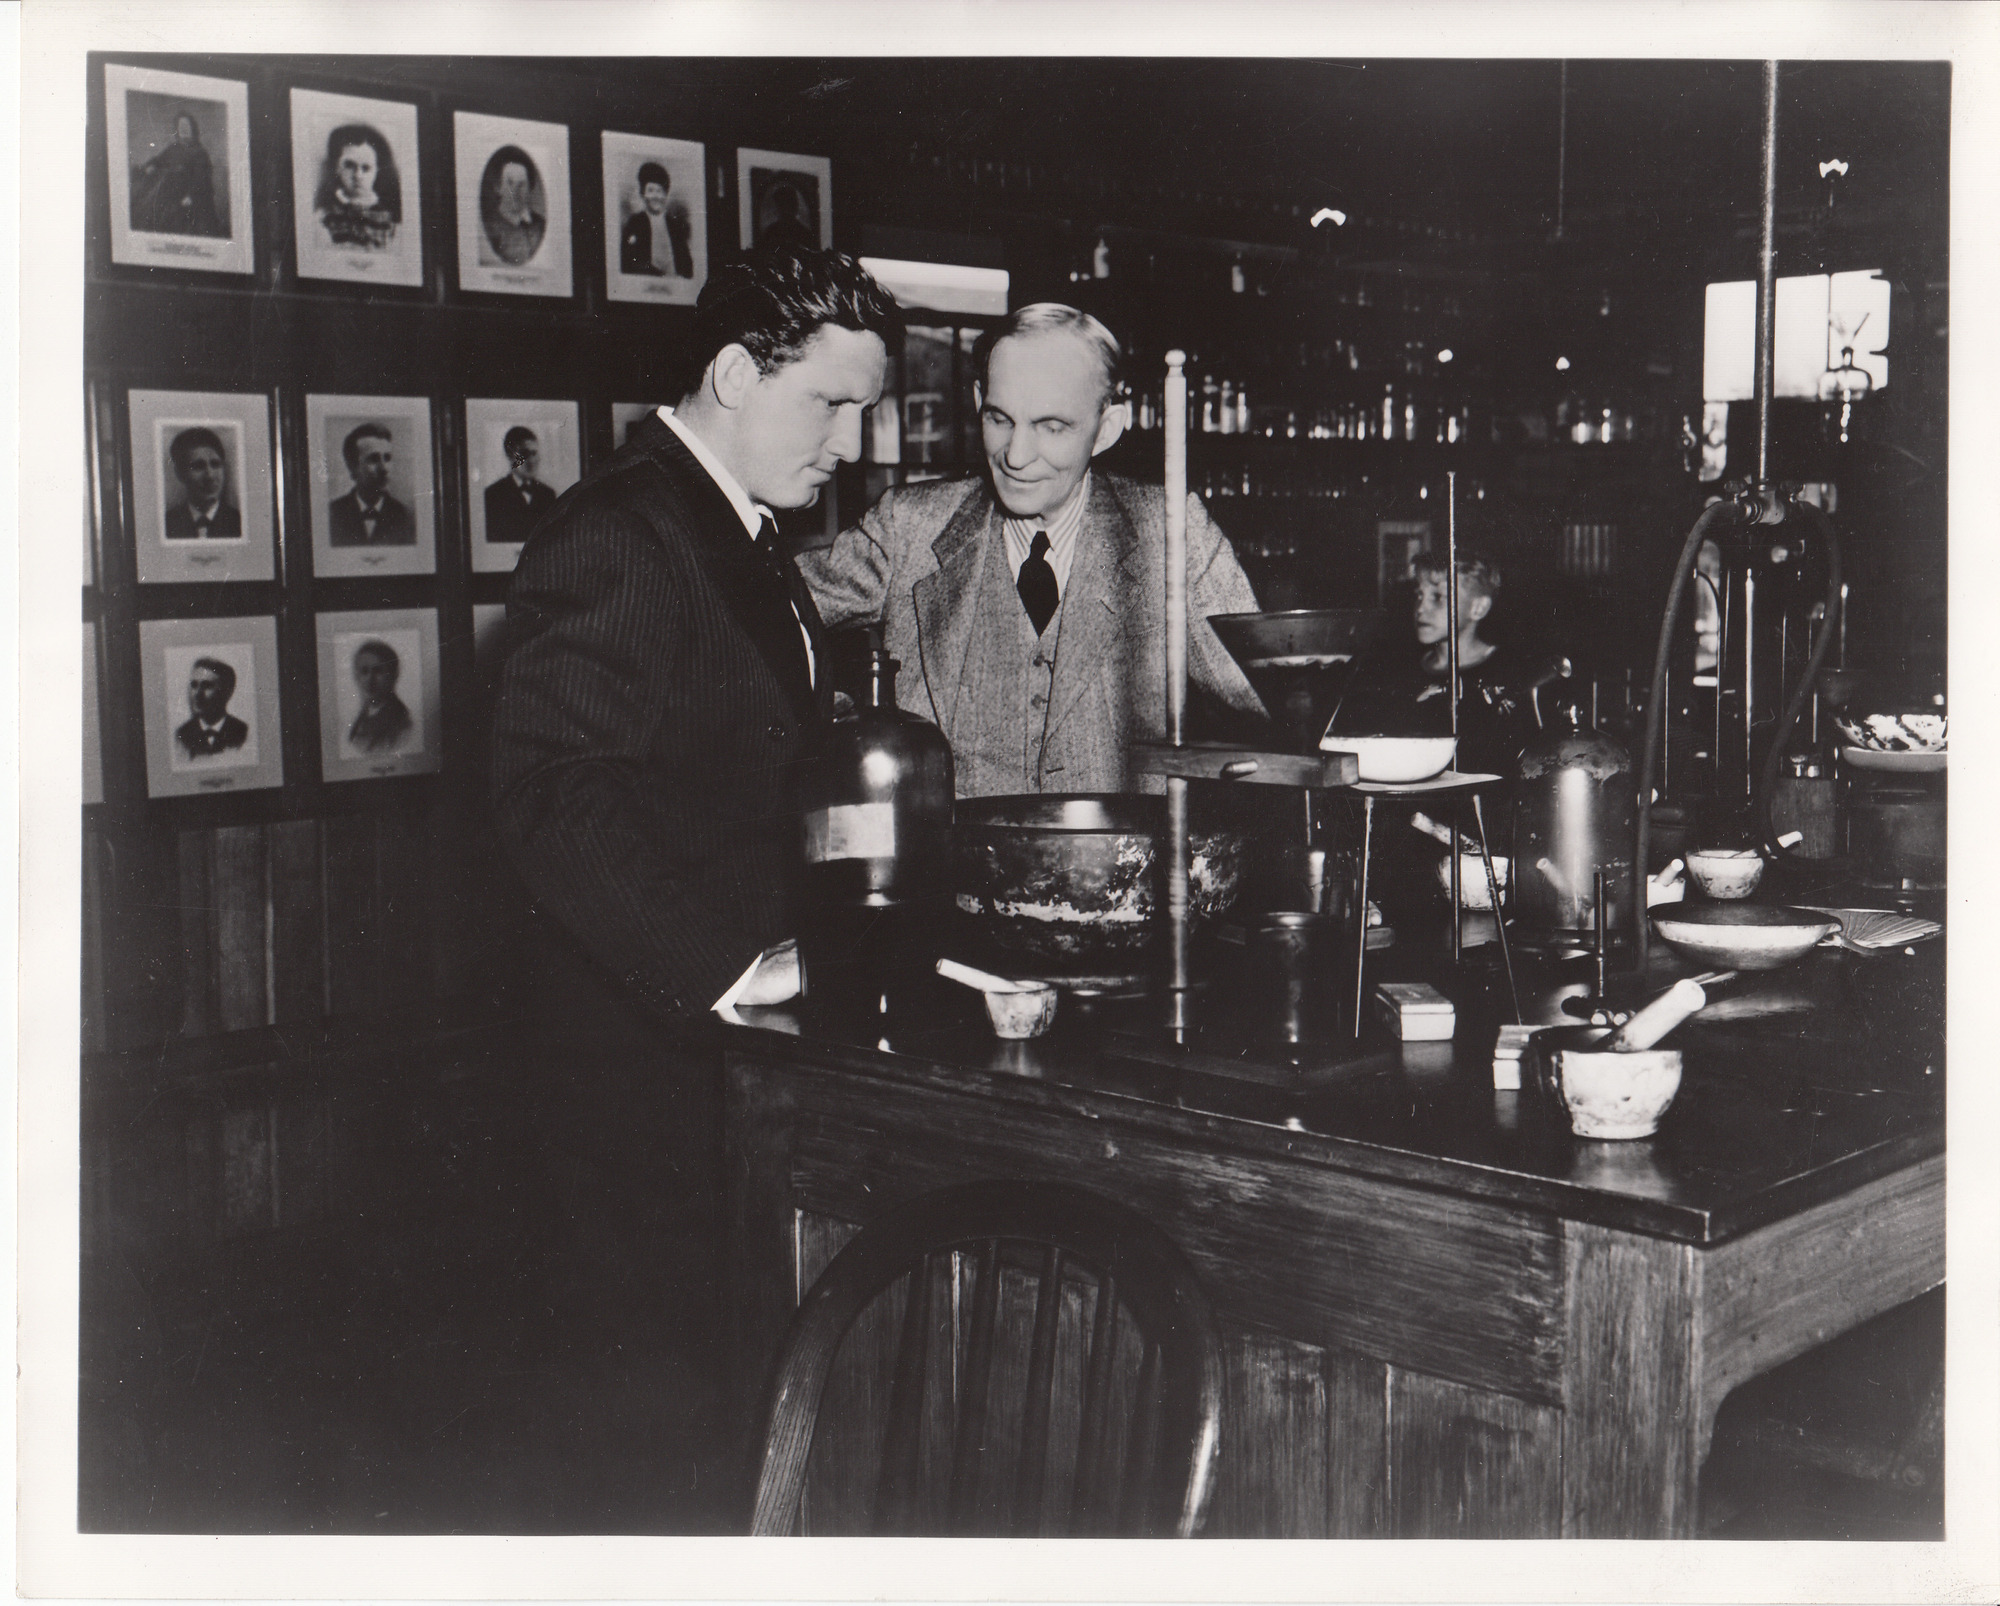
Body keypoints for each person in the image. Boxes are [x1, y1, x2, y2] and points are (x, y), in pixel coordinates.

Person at [488, 246, 899, 1409]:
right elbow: (551, 791)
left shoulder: (742, 531)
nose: (849, 442)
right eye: (829, 402)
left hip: (717, 1064)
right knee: (647, 1421)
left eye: (862, 411)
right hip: (639, 1067)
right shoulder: (619, 532)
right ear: (732, 372)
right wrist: (727, 964)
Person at [796, 302, 1265, 797]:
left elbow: (1270, 701)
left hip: (1125, 872)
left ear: (1106, 429)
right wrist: (837, 723)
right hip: (952, 873)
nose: (1016, 457)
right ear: (979, 400)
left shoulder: (1171, 533)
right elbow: (750, 616)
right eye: (1000, 419)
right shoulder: (908, 527)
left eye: (1051, 426)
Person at [131, 111, 223, 237]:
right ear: (177, 130)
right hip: (171, 195)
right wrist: (150, 166)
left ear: (193, 129)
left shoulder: (200, 153)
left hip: (193, 198)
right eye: (181, 127)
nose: (184, 130)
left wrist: (191, 196)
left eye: (187, 126)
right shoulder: (173, 148)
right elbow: (159, 160)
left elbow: (201, 179)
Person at [312, 122, 400, 251]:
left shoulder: (392, 223)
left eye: (366, 168)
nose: (358, 176)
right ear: (337, 167)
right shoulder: (322, 219)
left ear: (377, 171)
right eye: (349, 166)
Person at [327, 423, 415, 546]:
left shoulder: (406, 517)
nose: (384, 468)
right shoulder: (332, 515)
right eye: (374, 459)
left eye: (387, 458)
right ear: (352, 467)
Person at [482, 427, 558, 545]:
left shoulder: (548, 494)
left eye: (534, 453)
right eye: (524, 454)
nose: (532, 460)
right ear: (509, 455)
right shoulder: (493, 495)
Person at [163, 427, 241, 541]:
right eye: (198, 466)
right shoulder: (166, 524)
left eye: (215, 464)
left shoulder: (240, 522)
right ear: (180, 473)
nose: (210, 476)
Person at [619, 160, 694, 278]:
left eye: (659, 191)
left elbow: (686, 263)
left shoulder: (675, 225)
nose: (655, 197)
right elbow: (628, 262)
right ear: (643, 194)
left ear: (665, 195)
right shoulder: (635, 223)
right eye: (650, 190)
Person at [479, 146, 545, 266]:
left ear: (530, 188)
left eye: (522, 185)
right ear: (498, 187)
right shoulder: (488, 227)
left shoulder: (540, 226)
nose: (515, 191)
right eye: (510, 183)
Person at [173, 657, 249, 759]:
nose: (197, 694)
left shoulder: (243, 733)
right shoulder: (181, 736)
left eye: (207, 686)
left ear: (227, 692)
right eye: (194, 685)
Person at [346, 640, 413, 754]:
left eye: (378, 671)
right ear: (357, 676)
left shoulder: (401, 722)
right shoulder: (362, 717)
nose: (370, 680)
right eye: (364, 671)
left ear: (393, 675)